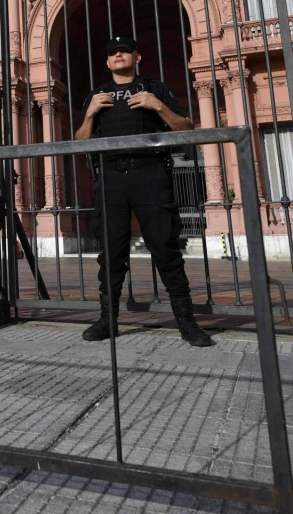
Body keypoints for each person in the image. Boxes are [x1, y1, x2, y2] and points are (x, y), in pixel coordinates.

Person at [74, 37, 214, 346]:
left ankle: (187, 323)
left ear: (138, 57)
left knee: (166, 248)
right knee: (111, 253)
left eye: (124, 50)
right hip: (110, 177)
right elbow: (80, 142)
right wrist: (90, 114)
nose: (118, 54)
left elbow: (185, 128)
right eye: (112, 52)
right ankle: (107, 321)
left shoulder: (156, 89)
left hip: (149, 172)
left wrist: (157, 105)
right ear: (107, 62)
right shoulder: (96, 95)